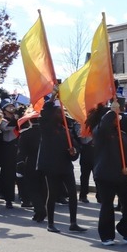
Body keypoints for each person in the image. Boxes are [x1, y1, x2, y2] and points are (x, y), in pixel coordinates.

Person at [88, 100, 127, 246]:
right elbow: (103, 125)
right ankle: (106, 236)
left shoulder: (124, 135)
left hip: (124, 177)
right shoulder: (100, 133)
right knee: (107, 206)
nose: (118, 119)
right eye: (115, 117)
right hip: (105, 176)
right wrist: (112, 111)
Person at [36, 99, 84, 233]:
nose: (61, 113)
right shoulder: (46, 128)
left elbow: (75, 150)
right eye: (58, 111)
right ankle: (50, 223)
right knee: (52, 194)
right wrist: (52, 98)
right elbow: (43, 115)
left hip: (65, 167)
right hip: (51, 167)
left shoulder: (65, 130)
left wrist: (74, 152)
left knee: (73, 194)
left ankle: (73, 223)